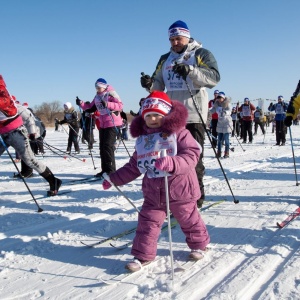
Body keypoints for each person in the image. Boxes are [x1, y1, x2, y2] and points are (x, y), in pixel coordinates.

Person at [102, 91, 210, 271]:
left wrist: (173, 163)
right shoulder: (144, 140)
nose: (152, 119)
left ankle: (200, 244)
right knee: (147, 223)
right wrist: (113, 179)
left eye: (157, 115)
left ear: (166, 114)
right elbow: (134, 166)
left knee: (189, 219)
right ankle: (143, 255)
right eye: (148, 116)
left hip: (180, 189)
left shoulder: (180, 133)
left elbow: (192, 154)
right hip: (153, 192)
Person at [140, 20, 220, 208]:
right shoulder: (164, 58)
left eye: (178, 38)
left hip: (193, 114)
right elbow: (158, 84)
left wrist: (191, 71)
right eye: (172, 39)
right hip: (171, 116)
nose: (175, 42)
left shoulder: (201, 53)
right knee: (171, 158)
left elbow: (214, 78)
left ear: (187, 36)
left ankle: (195, 198)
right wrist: (149, 84)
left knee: (192, 159)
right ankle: (176, 197)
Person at [0, 75, 61, 196]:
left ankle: (54, 181)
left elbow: (28, 117)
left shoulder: (4, 93)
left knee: (30, 160)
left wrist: (33, 132)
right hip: (3, 134)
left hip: (16, 132)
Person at [76, 78, 123, 178]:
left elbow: (120, 106)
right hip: (103, 123)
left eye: (99, 87)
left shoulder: (111, 93)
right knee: (102, 147)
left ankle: (111, 171)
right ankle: (105, 170)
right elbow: (91, 107)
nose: (97, 89)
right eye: (96, 87)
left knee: (107, 146)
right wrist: (81, 103)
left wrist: (108, 104)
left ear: (104, 86)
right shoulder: (97, 96)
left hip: (112, 122)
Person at [209, 92, 232, 158]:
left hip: (227, 123)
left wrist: (225, 112)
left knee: (226, 139)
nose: (219, 99)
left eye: (220, 97)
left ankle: (226, 152)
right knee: (219, 140)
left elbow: (230, 111)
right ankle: (219, 152)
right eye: (218, 97)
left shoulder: (227, 103)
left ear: (223, 98)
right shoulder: (216, 104)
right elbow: (213, 110)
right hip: (220, 123)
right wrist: (208, 111)